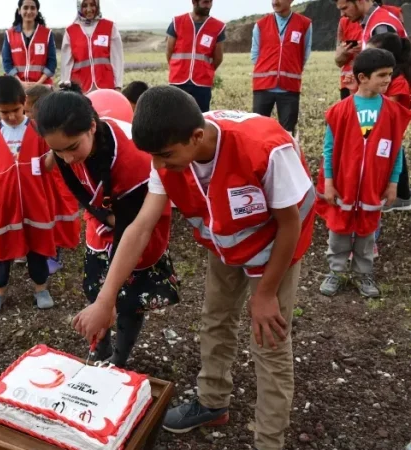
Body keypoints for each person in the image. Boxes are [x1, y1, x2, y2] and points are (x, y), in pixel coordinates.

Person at [73, 86, 315, 449]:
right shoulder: (168, 154)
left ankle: (269, 440)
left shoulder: (264, 149)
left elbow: (289, 225)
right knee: (215, 319)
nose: (159, 167)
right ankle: (213, 402)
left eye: (166, 157)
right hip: (226, 246)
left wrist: (265, 293)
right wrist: (106, 299)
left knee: (269, 341)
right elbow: (139, 228)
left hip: (275, 247)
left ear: (197, 136)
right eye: (153, 157)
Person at [37, 83, 180, 369]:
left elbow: (134, 229)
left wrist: (109, 299)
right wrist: (104, 217)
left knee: (126, 302)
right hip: (105, 222)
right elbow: (79, 190)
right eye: (58, 151)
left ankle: (119, 358)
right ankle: (100, 351)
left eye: (72, 148)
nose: (66, 158)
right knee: (96, 290)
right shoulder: (65, 146)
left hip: (138, 228)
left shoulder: (133, 161)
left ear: (92, 126)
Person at [317, 49, 411, 298]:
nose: (387, 80)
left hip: (373, 186)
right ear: (362, 77)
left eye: (390, 74)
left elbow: (396, 152)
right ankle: (336, 271)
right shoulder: (340, 111)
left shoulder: (393, 113)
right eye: (382, 75)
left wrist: (393, 183)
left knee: (367, 232)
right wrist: (329, 181)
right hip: (343, 185)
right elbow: (329, 149)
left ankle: (363, 273)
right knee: (338, 232)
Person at [0, 76, 56, 313]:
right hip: (2, 202)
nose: (12, 116)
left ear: (24, 102)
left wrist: (56, 152)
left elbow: (48, 164)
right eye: (4, 112)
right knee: (1, 244)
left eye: (16, 110)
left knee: (37, 244)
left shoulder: (39, 130)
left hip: (34, 199)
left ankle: (41, 287)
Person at [25, 84, 81, 274]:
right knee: (47, 215)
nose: (27, 116)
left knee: (58, 216)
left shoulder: (53, 128)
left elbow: (50, 162)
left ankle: (56, 252)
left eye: (28, 111)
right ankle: (48, 249)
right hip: (47, 182)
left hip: (58, 182)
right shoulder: (36, 127)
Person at [251, 0, 313, 134]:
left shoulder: (304, 24)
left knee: (287, 133)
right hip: (263, 86)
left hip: (289, 88)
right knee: (258, 131)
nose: (275, 1)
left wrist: (292, 68)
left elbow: (304, 54)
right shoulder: (260, 25)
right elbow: (255, 55)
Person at [366, 33, 411, 213]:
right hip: (386, 128)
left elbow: (389, 110)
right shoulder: (389, 77)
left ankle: (398, 197)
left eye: (372, 54)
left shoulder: (398, 81)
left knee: (391, 156)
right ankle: (400, 195)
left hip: (391, 127)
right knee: (391, 154)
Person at [166, 0, 226, 112]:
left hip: (202, 83)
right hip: (178, 81)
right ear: (194, 2)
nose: (208, 6)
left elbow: (218, 58)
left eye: (210, 2)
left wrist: (206, 70)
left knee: (201, 118)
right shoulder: (177, 22)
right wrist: (177, 68)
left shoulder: (218, 26)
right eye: (205, 2)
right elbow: (169, 52)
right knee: (175, 118)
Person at [61, 0, 124, 93]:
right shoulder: (70, 31)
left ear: (97, 5)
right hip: (80, 88)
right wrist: (66, 87)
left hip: (106, 85)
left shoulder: (109, 27)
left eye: (92, 5)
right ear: (79, 7)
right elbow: (66, 63)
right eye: (85, 6)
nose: (89, 9)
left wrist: (118, 85)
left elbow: (117, 58)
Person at [2, 0, 57, 87]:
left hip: (42, 86)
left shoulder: (47, 33)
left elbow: (52, 63)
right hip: (17, 86)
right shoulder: (9, 34)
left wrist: (37, 84)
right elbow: (7, 63)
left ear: (37, 11)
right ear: (19, 10)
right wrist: (20, 83)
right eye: (25, 7)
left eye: (32, 8)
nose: (29, 11)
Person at [332, 0, 407, 50]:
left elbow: (386, 66)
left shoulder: (380, 25)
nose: (342, 14)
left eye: (345, 8)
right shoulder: (373, 20)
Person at [336, 16, 363, 99]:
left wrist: (366, 47)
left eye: (345, 8)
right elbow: (338, 61)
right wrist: (344, 52)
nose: (343, 13)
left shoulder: (378, 19)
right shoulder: (344, 21)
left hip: (369, 81)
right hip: (347, 81)